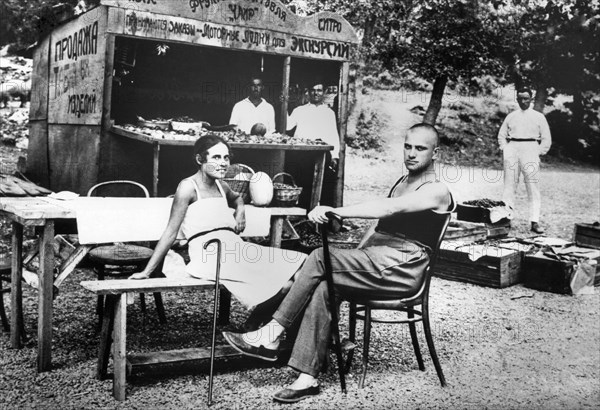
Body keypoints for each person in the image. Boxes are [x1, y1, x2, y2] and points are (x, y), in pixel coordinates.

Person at [223, 123, 455, 403]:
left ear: (436, 152)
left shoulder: (437, 189)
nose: (412, 154)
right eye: (408, 146)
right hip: (379, 259)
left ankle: (271, 333)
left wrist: (335, 210)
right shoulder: (403, 182)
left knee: (320, 256)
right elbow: (378, 228)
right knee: (324, 284)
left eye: (421, 148)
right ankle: (307, 378)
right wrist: (353, 253)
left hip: (404, 266)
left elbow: (391, 208)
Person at [130, 134, 306, 312]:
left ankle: (256, 329)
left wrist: (240, 211)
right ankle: (255, 327)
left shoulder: (222, 186)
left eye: (226, 157)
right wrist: (147, 271)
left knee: (300, 270)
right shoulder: (188, 187)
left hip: (236, 249)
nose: (223, 163)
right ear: (200, 159)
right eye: (216, 157)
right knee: (285, 279)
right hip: (210, 254)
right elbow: (170, 232)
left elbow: (237, 198)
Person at [498, 87, 552, 234]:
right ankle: (506, 219)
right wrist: (505, 149)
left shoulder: (538, 116)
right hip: (513, 148)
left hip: (531, 149)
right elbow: (502, 135)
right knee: (509, 185)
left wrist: (538, 152)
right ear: (517, 99)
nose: (523, 101)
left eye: (526, 99)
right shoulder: (511, 116)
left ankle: (534, 221)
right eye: (520, 99)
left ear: (531, 99)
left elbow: (546, 138)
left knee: (533, 187)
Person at [287, 79, 340, 171]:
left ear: (324, 92)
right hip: (301, 154)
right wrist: (284, 105)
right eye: (313, 90)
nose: (316, 93)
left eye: (319, 90)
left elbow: (333, 136)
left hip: (321, 154)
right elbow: (287, 126)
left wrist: (335, 156)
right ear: (309, 92)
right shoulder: (299, 110)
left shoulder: (329, 113)